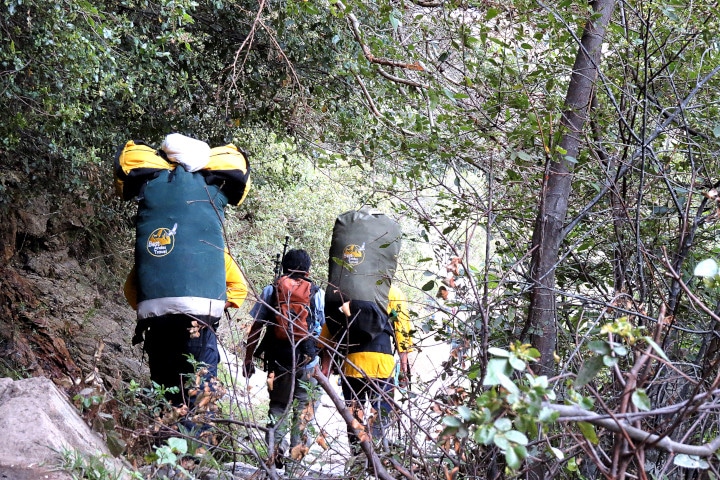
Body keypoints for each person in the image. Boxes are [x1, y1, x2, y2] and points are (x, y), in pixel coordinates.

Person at [124, 251, 247, 407]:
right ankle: (190, 429)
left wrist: (156, 311)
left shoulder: (156, 249)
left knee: (165, 395)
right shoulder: (215, 250)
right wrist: (208, 310)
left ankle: (166, 428)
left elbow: (130, 288)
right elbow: (239, 289)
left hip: (159, 332)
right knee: (200, 397)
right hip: (198, 331)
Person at [243, 248, 325, 466]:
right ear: (308, 270)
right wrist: (324, 364)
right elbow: (323, 331)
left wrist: (248, 359)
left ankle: (274, 455)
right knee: (303, 411)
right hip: (308, 360)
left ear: (283, 268)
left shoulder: (271, 290)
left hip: (279, 360)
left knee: (278, 406)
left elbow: (256, 328)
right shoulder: (317, 293)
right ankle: (295, 461)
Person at [320, 284, 413, 452]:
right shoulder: (391, 291)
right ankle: (375, 461)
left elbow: (330, 328)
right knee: (380, 419)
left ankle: (357, 461)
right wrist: (404, 371)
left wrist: (325, 368)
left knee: (354, 418)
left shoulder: (348, 290)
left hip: (351, 365)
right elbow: (402, 332)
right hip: (382, 366)